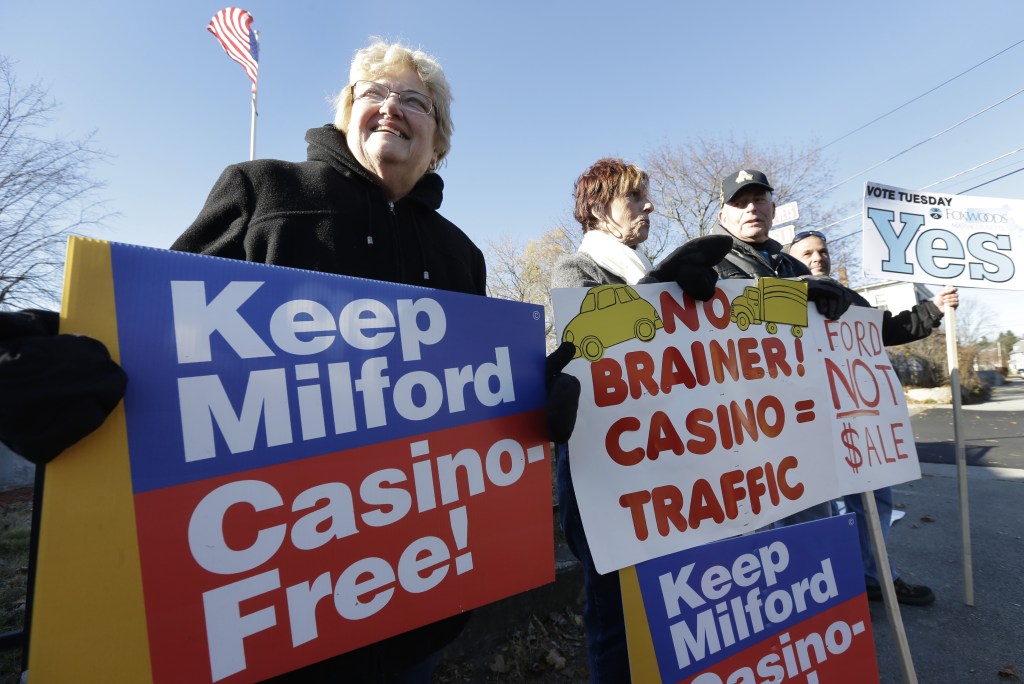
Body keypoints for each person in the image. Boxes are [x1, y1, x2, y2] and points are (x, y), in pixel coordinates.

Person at [0, 38, 580, 683]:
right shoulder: (263, 191)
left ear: (439, 138)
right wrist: (44, 356)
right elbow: (161, 338)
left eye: (413, 101)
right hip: (280, 609)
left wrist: (529, 405)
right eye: (374, 94)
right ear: (345, 114)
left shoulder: (459, 253)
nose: (391, 108)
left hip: (419, 603)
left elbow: (468, 400)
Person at [551, 158, 732, 683]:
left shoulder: (641, 272)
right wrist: (659, 290)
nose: (649, 205)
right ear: (597, 209)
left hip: (665, 465)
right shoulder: (576, 269)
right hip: (607, 479)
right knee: (616, 617)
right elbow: (594, 344)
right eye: (634, 197)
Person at [784, 228, 958, 606]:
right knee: (822, 510)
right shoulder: (777, 293)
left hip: (859, 418)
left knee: (874, 499)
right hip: (806, 424)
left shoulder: (850, 298)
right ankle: (827, 590)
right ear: (792, 258)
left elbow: (886, 330)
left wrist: (934, 309)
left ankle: (875, 577)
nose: (817, 257)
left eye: (822, 251)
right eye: (807, 252)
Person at [712, 168, 854, 526]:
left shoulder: (791, 264)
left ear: (773, 209)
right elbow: (727, 316)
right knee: (753, 535)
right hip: (740, 425)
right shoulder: (708, 263)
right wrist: (799, 293)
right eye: (740, 202)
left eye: (759, 200)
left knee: (810, 524)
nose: (751, 209)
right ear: (722, 215)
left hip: (801, 416)